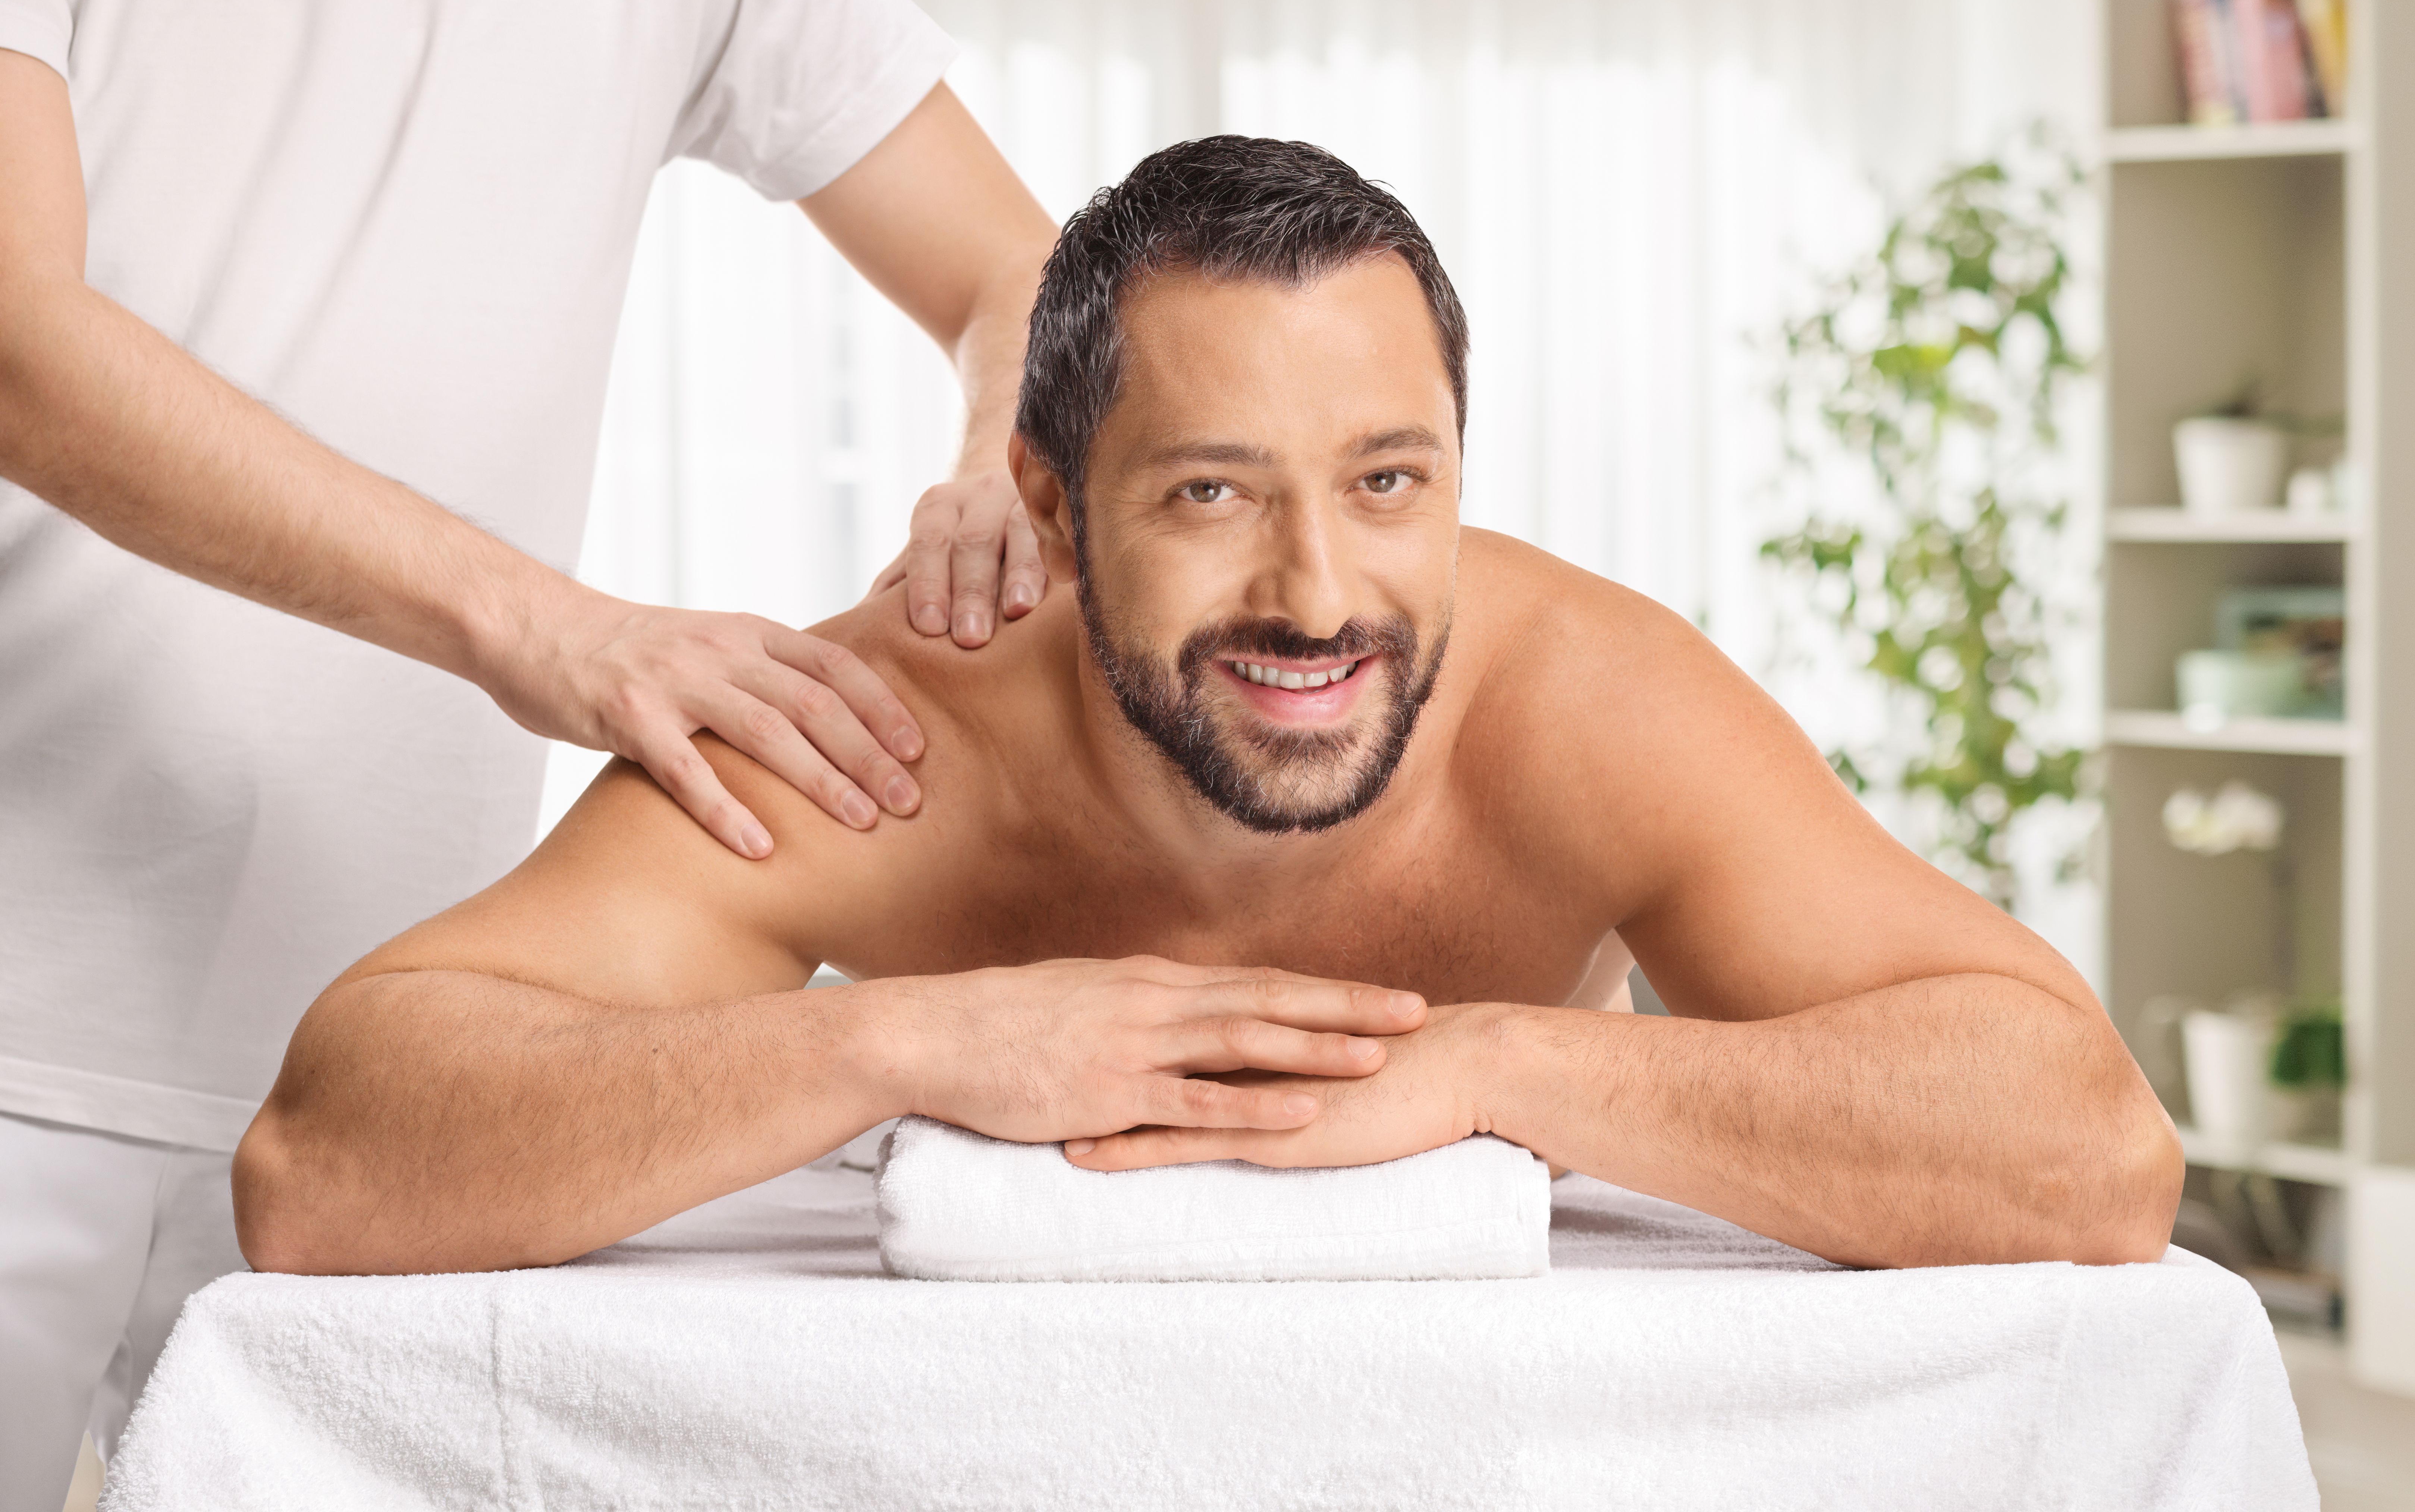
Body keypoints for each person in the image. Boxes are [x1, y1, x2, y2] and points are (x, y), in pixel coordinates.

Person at [235, 136, 2183, 1282]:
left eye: (1387, 481)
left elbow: (2086, 1151)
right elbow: (322, 1167)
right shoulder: (875, 741)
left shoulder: (1588, 703)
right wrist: (910, 1045)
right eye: (1208, 491)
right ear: (1045, 510)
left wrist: (1502, 1071)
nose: (1318, 595)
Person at [0, 0, 1058, 1504]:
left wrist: (1003, 457)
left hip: (380, 1087)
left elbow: (1017, 266)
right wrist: (552, 630)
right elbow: (16, 337)